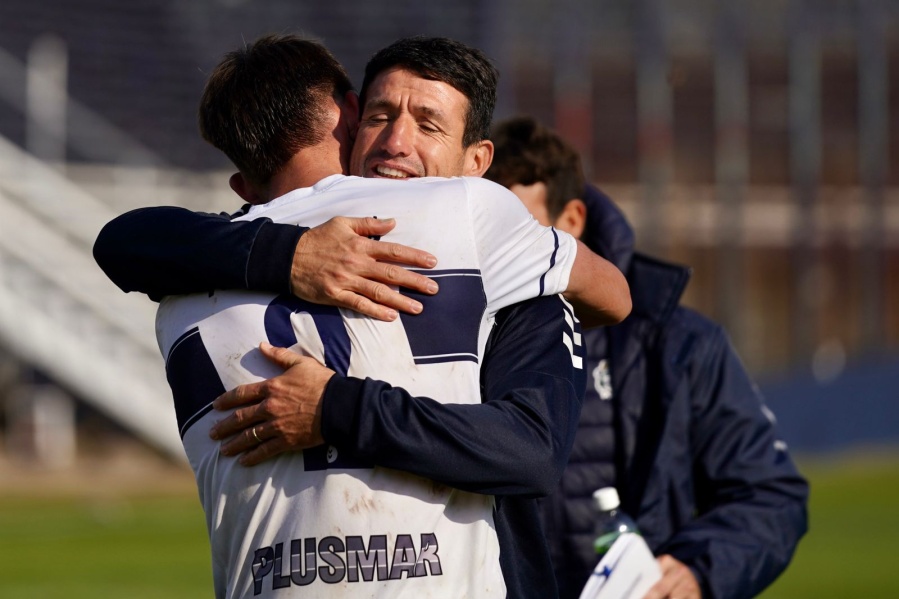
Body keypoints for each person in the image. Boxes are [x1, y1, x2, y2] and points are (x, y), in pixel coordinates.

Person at [101, 35, 630, 598]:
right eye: (381, 117)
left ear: (477, 162)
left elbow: (120, 242)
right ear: (350, 118)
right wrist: (293, 255)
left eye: (428, 125)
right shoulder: (470, 215)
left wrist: (334, 407)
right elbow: (614, 297)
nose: (396, 143)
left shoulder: (181, 292)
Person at [484, 116, 810, 599]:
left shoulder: (677, 343)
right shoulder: (444, 332)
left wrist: (696, 569)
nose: (496, 251)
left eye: (516, 229)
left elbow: (769, 495)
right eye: (484, 230)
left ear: (572, 221)